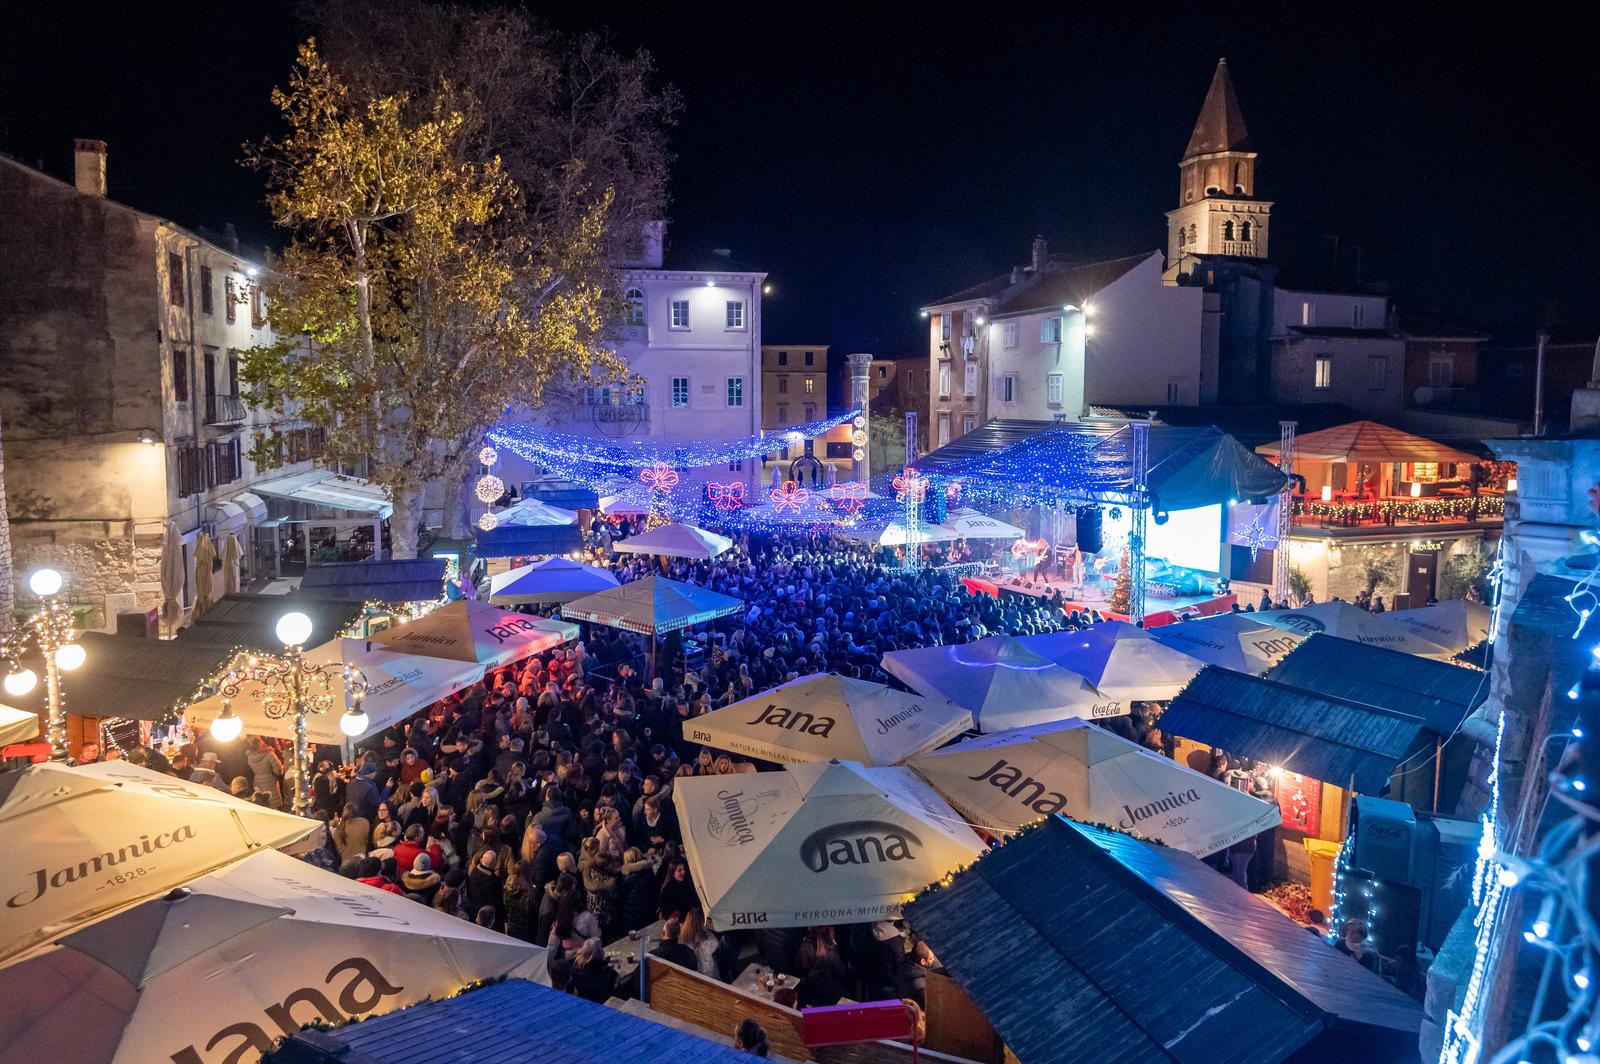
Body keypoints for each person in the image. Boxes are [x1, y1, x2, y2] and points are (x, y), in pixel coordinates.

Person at [570, 938, 619, 1003]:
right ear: (600, 952)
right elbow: (610, 986)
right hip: (601, 1002)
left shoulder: (576, 966)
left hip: (582, 998)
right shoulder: (605, 972)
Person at [678, 908, 720, 979]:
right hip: (708, 970)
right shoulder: (707, 936)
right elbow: (716, 945)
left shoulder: (683, 937)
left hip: (693, 971)